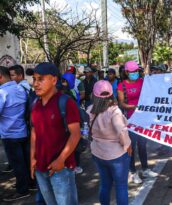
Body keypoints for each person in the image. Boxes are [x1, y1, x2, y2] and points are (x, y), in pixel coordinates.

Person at [30, 63, 80, 205]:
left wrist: (61, 159)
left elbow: (75, 134)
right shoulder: (35, 104)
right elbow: (34, 132)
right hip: (40, 167)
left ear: (54, 80)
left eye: (41, 79)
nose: (36, 84)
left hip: (61, 169)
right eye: (34, 79)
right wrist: (32, 158)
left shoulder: (65, 102)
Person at [87, 80, 132, 205]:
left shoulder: (90, 109)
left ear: (94, 95)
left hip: (98, 152)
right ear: (111, 94)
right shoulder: (114, 111)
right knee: (121, 186)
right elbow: (122, 131)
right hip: (116, 155)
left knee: (105, 184)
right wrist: (127, 145)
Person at [117, 61, 157, 184]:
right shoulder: (121, 85)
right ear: (126, 72)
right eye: (132, 71)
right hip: (130, 120)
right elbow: (121, 103)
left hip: (143, 119)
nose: (135, 73)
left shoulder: (142, 81)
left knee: (142, 145)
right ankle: (132, 172)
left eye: (136, 71)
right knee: (131, 147)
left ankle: (145, 169)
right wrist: (134, 107)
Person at [0, 66, 32, 202]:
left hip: (10, 134)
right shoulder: (21, 88)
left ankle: (22, 190)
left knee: (17, 164)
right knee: (25, 161)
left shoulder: (2, 92)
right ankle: (30, 184)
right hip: (23, 131)